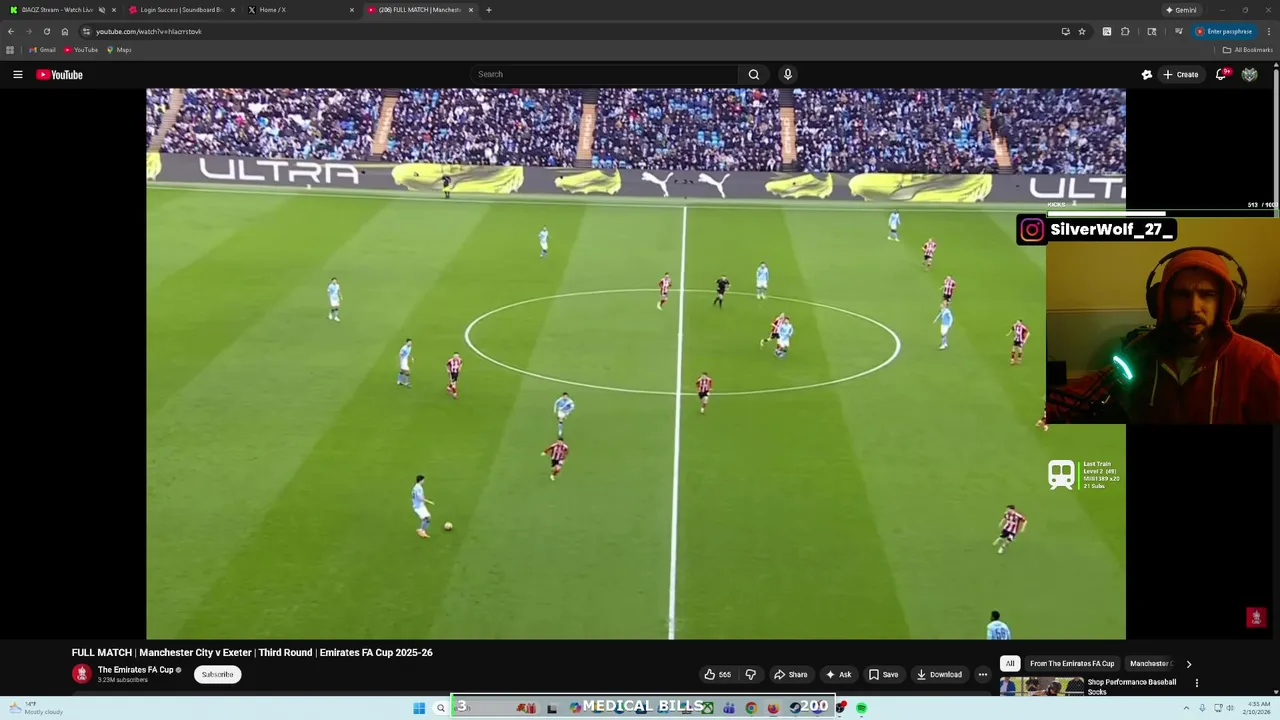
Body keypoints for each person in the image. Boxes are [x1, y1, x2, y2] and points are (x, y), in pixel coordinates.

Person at [1048, 247, 1280, 424]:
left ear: (1226, 302)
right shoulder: (1144, 350)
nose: (1194, 308)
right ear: (1162, 301)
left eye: (1207, 294)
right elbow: (1085, 393)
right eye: (1181, 295)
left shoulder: (1259, 362)